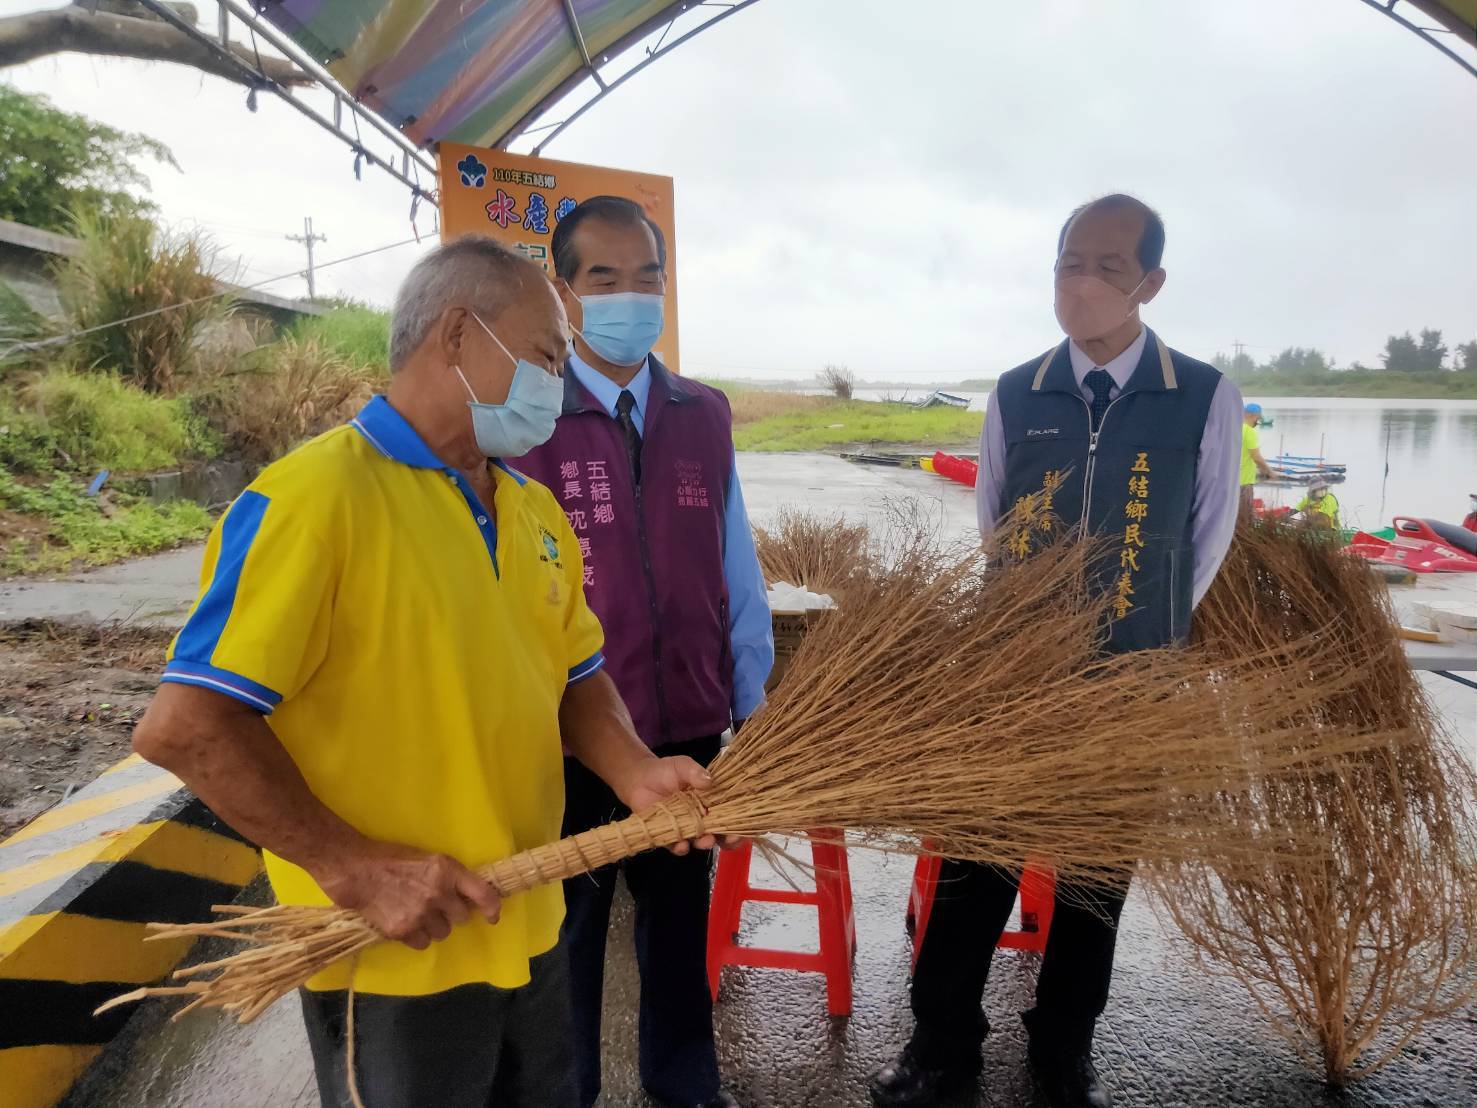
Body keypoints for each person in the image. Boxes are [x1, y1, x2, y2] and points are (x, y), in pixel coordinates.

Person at [130, 237, 720, 1108]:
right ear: (457, 335)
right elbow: (186, 727)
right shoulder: (311, 500)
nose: (556, 383)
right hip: (394, 950)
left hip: (529, 916)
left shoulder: (532, 508)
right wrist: (352, 866)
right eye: (545, 356)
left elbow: (573, 676)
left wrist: (636, 771)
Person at [870, 195, 1243, 1108]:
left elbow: (1209, 533)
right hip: (1015, 682)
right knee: (974, 861)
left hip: (1130, 681)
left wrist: (1140, 637)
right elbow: (994, 523)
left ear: (1149, 282)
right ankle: (941, 1044)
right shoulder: (1014, 391)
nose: (1079, 282)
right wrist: (1023, 639)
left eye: (1105, 267)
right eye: (1066, 262)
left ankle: (1063, 1046)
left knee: (1092, 878)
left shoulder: (1201, 394)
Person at [514, 195, 772, 1108]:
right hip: (576, 730)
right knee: (570, 932)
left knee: (674, 922)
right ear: (565, 291)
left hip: (687, 725)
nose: (632, 296)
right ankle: (567, 1092)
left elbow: (735, 557)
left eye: (648, 277)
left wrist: (753, 692)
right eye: (605, 279)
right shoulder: (528, 419)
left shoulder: (702, 413)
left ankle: (684, 1087)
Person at [1239, 402, 1274, 513]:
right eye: (1257, 418)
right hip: (1244, 482)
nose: (1258, 422)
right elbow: (1256, 457)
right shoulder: (1249, 431)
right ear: (1252, 415)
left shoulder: (1233, 428)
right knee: (1244, 518)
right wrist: (1269, 471)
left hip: (1229, 481)